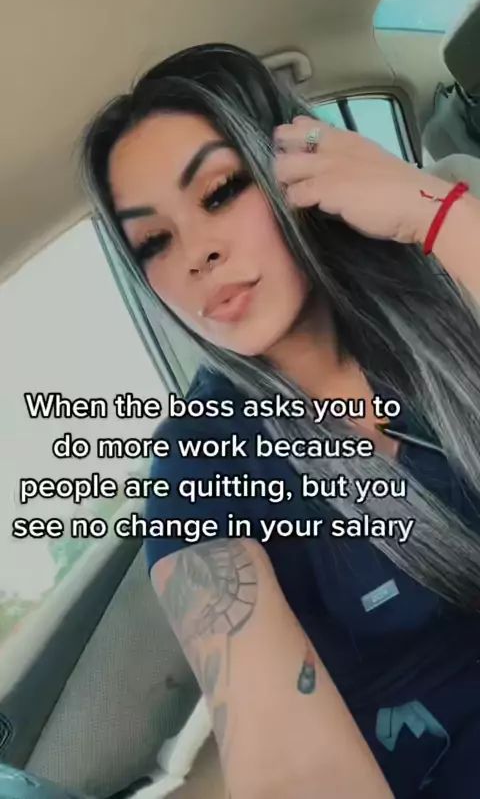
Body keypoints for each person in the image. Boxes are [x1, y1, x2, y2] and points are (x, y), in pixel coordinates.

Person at [81, 43, 480, 799]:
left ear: (301, 168)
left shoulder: (442, 294)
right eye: (154, 241)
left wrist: (433, 211)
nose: (196, 254)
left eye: (220, 191)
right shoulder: (198, 467)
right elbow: (288, 770)